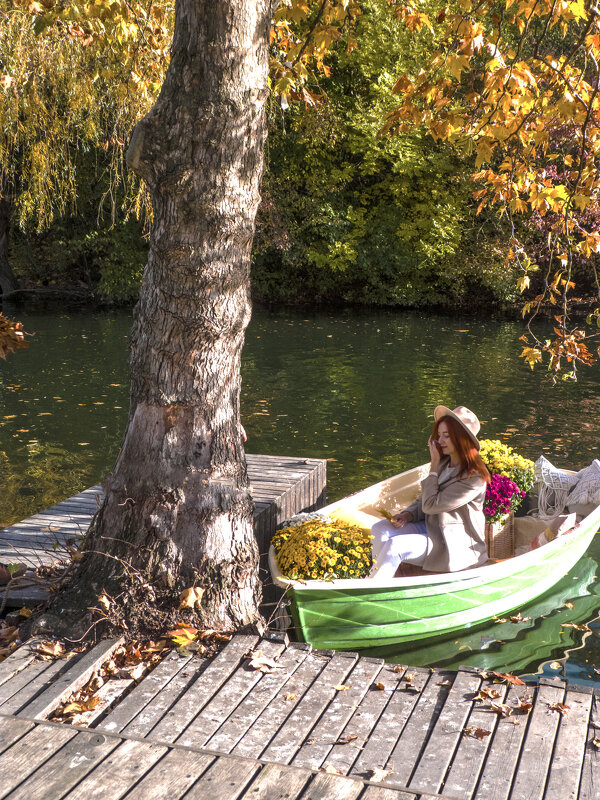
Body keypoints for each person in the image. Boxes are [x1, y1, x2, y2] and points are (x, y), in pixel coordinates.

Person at [370, 405, 491, 579]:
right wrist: (408, 515)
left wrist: (433, 464)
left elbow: (431, 505)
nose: (440, 441)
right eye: (439, 435)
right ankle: (379, 579)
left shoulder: (474, 478)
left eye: (446, 436)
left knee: (396, 546)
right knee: (380, 529)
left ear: (461, 439)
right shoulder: (444, 464)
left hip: (453, 541)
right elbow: (424, 500)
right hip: (431, 528)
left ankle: (374, 588)